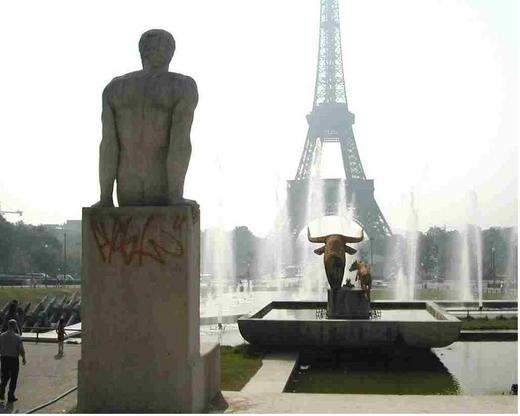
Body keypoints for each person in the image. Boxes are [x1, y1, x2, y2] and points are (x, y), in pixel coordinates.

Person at [93, 29, 198, 208]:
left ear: (142, 51)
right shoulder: (181, 87)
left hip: (127, 191)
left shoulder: (114, 88)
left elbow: (108, 147)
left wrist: (105, 198)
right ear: (171, 53)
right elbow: (179, 145)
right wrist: (175, 197)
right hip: (162, 190)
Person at [0, 320, 26, 402]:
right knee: (14, 378)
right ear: (15, 326)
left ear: (8, 326)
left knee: (4, 376)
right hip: (14, 359)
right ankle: (10, 395)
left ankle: (1, 392)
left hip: (4, 359)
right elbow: (21, 349)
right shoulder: (17, 337)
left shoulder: (2, 336)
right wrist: (23, 358)